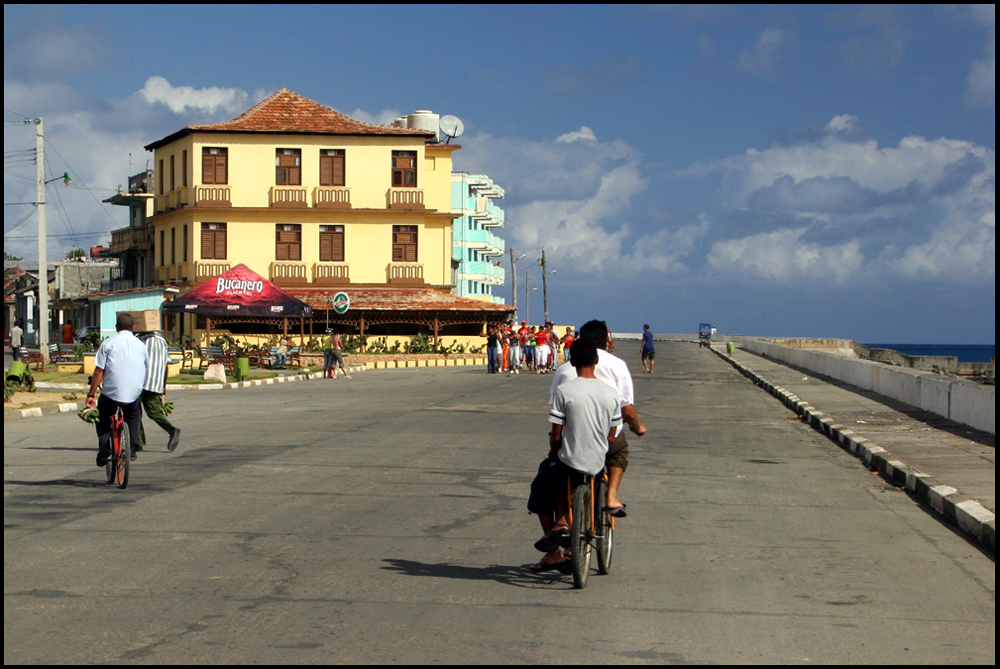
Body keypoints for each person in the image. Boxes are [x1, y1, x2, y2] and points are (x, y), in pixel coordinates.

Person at [527, 339, 621, 572]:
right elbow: (612, 434)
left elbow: (556, 435)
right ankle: (566, 525)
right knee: (565, 479)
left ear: (571, 360)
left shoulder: (565, 391)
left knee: (541, 487)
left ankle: (554, 550)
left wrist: (553, 452)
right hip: (598, 460)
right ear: (596, 361)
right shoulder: (611, 393)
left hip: (569, 461)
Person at [550, 320, 645, 518]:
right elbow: (625, 409)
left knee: (555, 474)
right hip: (604, 438)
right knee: (619, 451)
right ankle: (611, 496)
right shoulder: (617, 366)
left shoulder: (563, 369)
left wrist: (554, 450)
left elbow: (556, 413)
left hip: (572, 439)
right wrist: (637, 427)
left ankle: (563, 523)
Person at [85, 312, 148, 466]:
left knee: (103, 414)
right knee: (133, 415)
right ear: (133, 328)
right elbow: (146, 368)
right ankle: (132, 447)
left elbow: (99, 371)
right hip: (134, 393)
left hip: (111, 394)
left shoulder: (108, 343)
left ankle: (105, 446)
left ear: (116, 327)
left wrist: (91, 394)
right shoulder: (141, 345)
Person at [137, 329, 181, 452]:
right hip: (156, 383)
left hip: (140, 382)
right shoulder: (162, 341)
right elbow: (166, 365)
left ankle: (138, 442)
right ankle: (172, 429)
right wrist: (163, 388)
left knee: (135, 412)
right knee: (154, 412)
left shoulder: (140, 340)